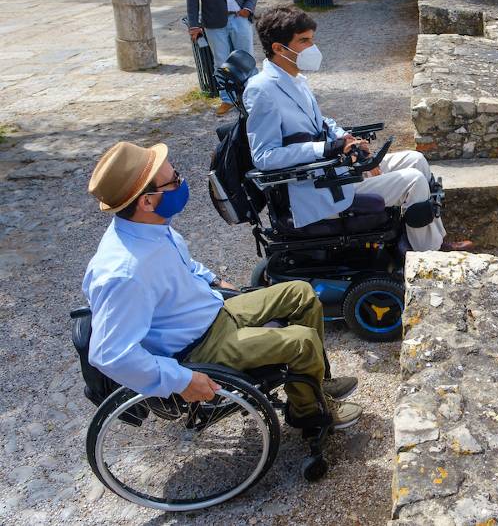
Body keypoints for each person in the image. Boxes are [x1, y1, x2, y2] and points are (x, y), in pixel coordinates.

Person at [83, 141, 362, 431]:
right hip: (200, 345)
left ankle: (315, 384)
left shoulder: (149, 228)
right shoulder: (124, 273)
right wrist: (182, 379)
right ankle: (308, 413)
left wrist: (213, 280)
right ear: (147, 201)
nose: (181, 181)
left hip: (212, 311)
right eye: (174, 180)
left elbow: (185, 265)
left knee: (301, 293)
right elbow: (110, 354)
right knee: (301, 340)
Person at [242, 5, 473, 253]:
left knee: (415, 159)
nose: (313, 48)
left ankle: (433, 240)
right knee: (413, 181)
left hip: (332, 172)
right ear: (278, 48)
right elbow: (264, 157)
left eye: (312, 39)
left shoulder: (295, 79)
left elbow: (321, 123)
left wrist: (346, 138)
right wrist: (327, 148)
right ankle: (429, 256)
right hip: (313, 187)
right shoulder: (262, 90)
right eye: (304, 41)